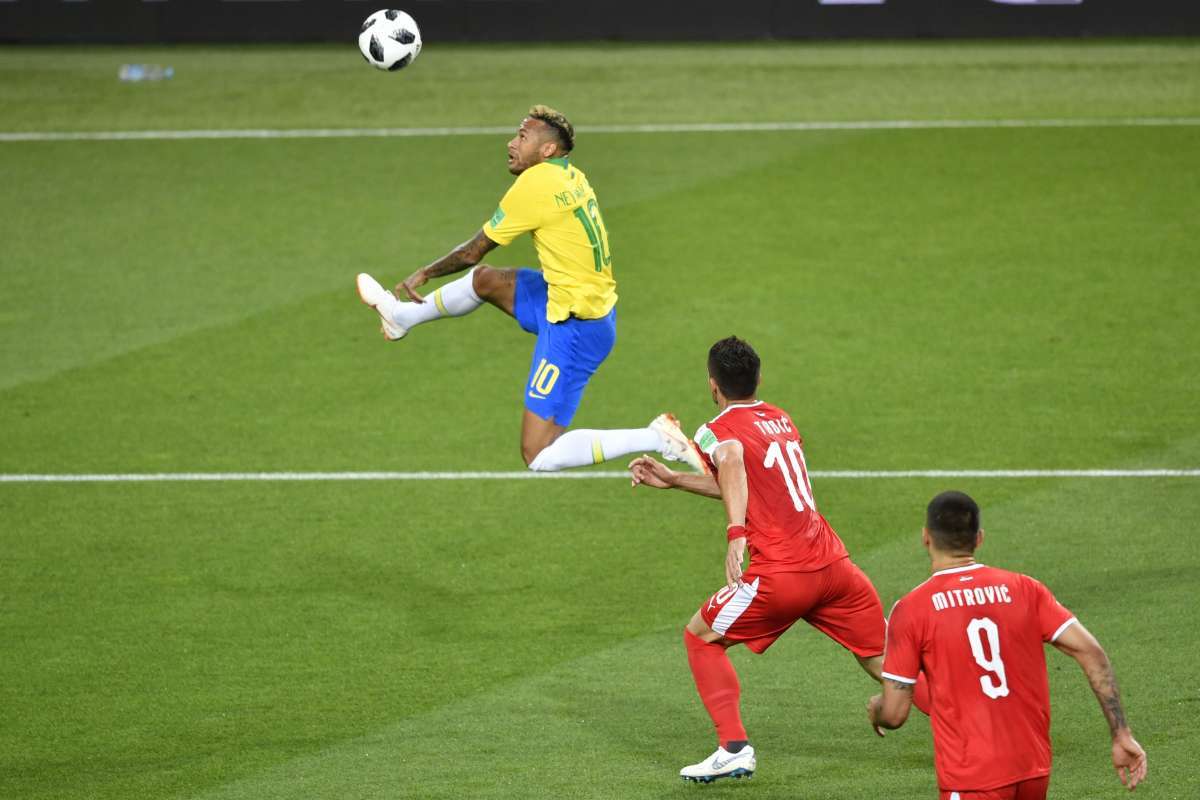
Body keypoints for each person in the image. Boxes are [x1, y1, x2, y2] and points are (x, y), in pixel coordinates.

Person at [355, 104, 702, 473]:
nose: (511, 144)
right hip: (572, 300)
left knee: (537, 453)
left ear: (547, 150)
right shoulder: (572, 175)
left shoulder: (535, 185)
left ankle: (656, 437)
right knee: (484, 281)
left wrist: (424, 273)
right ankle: (401, 317)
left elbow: (473, 250)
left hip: (574, 327)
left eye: (522, 137)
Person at [629, 336, 887, 783]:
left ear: (713, 385)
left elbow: (730, 463)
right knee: (885, 664)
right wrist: (675, 480)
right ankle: (971, 713)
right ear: (759, 378)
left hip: (783, 576)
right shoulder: (781, 419)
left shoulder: (715, 430)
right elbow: (744, 484)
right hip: (836, 568)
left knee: (701, 638)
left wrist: (736, 536)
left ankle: (733, 747)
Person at [867, 491, 1148, 799]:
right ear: (979, 538)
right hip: (1033, 769)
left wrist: (877, 710)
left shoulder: (912, 609)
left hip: (972, 778)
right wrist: (1121, 733)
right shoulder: (1026, 590)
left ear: (925, 537)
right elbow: (1092, 653)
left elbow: (895, 714)